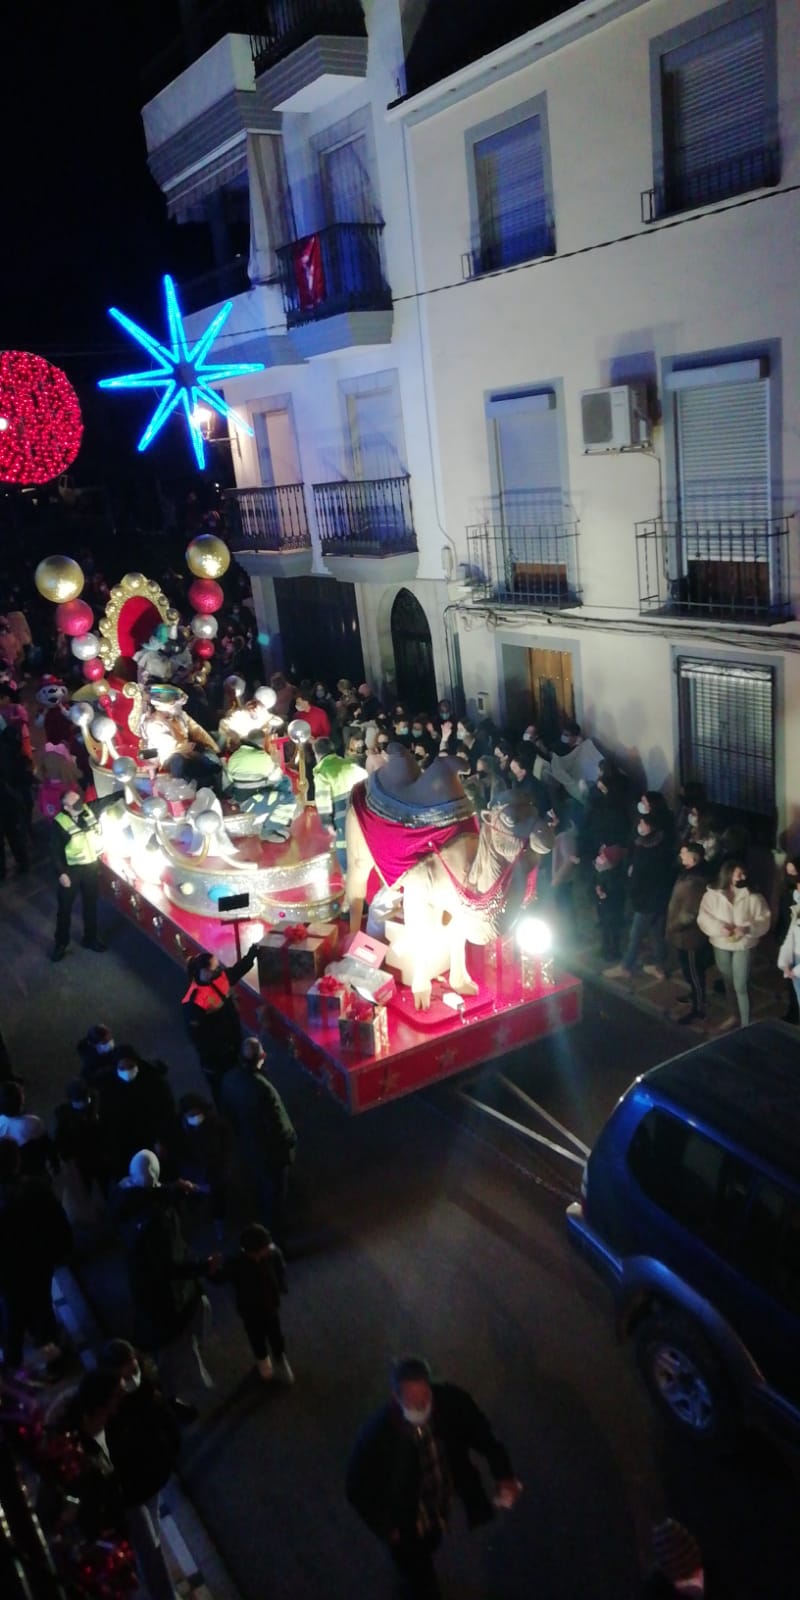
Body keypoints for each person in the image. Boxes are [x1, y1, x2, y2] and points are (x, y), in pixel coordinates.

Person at [346, 1355, 522, 1600]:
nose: (423, 1407)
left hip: (436, 1508)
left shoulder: (451, 1403)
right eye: (415, 1403)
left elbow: (483, 1436)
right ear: (397, 1398)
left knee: (430, 1543)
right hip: (404, 1521)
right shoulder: (377, 1435)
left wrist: (504, 1474)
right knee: (421, 1581)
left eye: (426, 1396)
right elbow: (356, 1486)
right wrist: (386, 1527)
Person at [113, 1150, 214, 1390]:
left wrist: (168, 1190)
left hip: (143, 1287)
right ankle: (168, 1393)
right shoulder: (160, 1220)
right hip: (167, 1296)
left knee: (157, 1337)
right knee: (175, 1346)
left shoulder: (124, 1199)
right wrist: (204, 1265)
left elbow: (143, 1196)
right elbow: (172, 1265)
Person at [100, 1339, 182, 1600]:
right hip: (131, 1491)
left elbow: (165, 1421)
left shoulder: (147, 1385)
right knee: (150, 1549)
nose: (133, 1377)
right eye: (126, 1374)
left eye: (134, 1369)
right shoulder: (111, 1409)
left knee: (152, 1527)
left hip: (152, 1477)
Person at [0, 1136, 73, 1378]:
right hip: (37, 1263)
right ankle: (53, 1360)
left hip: (7, 1273)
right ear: (16, 1161)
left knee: (11, 1312)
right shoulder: (36, 1189)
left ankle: (11, 1363)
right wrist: (61, 1251)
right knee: (42, 1310)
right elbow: (58, 1223)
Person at [219, 1038, 296, 1246]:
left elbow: (227, 1112)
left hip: (248, 1145)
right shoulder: (263, 1089)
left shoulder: (229, 1079)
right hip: (270, 1151)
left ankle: (263, 1226)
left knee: (261, 1188)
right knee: (276, 1195)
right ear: (262, 1057)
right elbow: (278, 1123)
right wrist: (289, 1141)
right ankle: (277, 1240)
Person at [209, 1222, 293, 1384]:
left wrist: (281, 1284)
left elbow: (279, 1267)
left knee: (275, 1334)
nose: (269, 1249)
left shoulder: (272, 1254)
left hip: (270, 1304)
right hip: (249, 1310)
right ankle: (263, 1362)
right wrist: (210, 1269)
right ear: (251, 1251)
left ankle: (280, 1359)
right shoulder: (236, 1263)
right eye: (265, 1247)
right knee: (256, 1337)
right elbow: (219, 1277)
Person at [49, 786, 125, 961]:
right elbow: (54, 851)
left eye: (79, 799)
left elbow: (106, 801)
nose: (79, 803)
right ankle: (61, 943)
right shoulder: (60, 823)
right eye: (74, 802)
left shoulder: (89, 810)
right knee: (64, 910)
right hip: (71, 871)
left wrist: (123, 791)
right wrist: (61, 874)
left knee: (90, 905)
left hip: (91, 867)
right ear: (66, 807)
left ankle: (90, 938)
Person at [697, 859, 771, 1031]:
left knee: (741, 984)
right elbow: (704, 916)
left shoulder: (753, 896)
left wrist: (747, 928)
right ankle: (734, 1015)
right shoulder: (712, 895)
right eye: (739, 873)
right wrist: (719, 928)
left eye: (744, 873)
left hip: (744, 944)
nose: (742, 877)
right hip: (721, 943)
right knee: (728, 982)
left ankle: (746, 1023)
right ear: (728, 874)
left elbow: (764, 919)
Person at [604, 810, 675, 982]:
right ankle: (658, 964)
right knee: (658, 934)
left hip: (646, 900)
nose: (639, 826)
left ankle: (626, 966)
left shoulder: (648, 849)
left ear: (650, 826)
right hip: (658, 898)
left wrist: (633, 886)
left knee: (636, 935)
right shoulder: (659, 845)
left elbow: (641, 875)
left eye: (642, 824)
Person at [181, 945, 259, 1103]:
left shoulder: (217, 979)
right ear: (205, 972)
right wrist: (221, 1049)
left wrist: (251, 955)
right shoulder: (194, 1001)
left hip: (232, 1043)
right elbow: (198, 1038)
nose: (219, 970)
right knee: (222, 1090)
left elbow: (236, 971)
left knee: (240, 1082)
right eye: (215, 968)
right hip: (216, 1057)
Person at [98, 1049, 176, 1181]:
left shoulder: (154, 1082)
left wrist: (162, 1139)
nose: (126, 1071)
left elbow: (166, 1112)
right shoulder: (109, 1088)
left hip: (153, 1137)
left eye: (130, 1066)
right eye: (122, 1068)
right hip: (126, 1141)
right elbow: (107, 1118)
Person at [665, 842, 712, 1024]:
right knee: (689, 970)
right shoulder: (688, 874)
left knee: (694, 971)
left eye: (684, 853)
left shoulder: (696, 882)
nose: (680, 855)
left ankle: (699, 1007)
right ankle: (695, 995)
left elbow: (690, 914)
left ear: (694, 858)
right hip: (683, 935)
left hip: (690, 936)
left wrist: (673, 926)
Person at [173, 1092, 230, 1241]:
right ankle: (196, 1224)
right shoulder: (180, 1128)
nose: (195, 1117)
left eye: (197, 1113)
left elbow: (225, 1147)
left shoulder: (216, 1124)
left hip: (214, 1171)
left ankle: (219, 1226)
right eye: (191, 1114)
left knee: (218, 1199)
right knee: (193, 1199)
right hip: (192, 1172)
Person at [0, 1079, 59, 1179]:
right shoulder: (33, 1122)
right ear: (21, 1102)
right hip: (34, 1168)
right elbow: (47, 1145)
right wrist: (55, 1163)